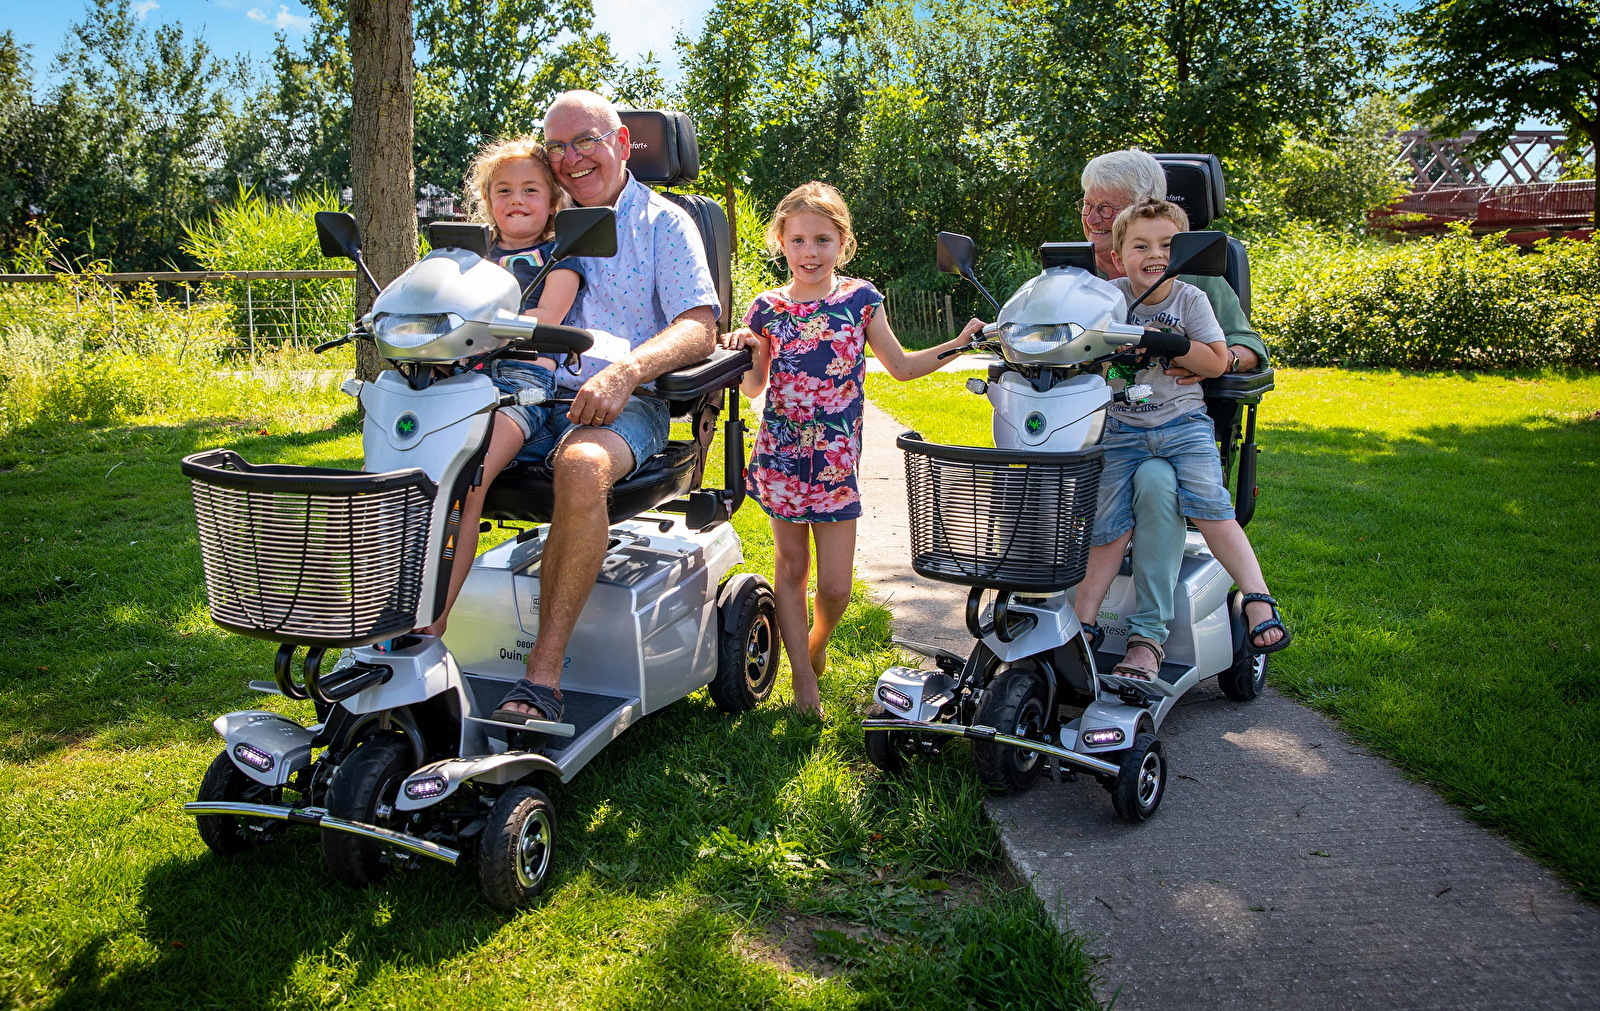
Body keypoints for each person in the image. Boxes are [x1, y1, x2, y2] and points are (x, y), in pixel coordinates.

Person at [488, 90, 722, 725]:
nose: (571, 158)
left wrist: (627, 371)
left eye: (586, 141)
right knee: (432, 457)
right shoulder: (534, 217)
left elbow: (699, 325)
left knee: (581, 465)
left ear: (621, 144)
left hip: (631, 402)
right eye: (558, 146)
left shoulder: (663, 223)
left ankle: (541, 678)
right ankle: (405, 639)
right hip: (525, 394)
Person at [721, 181, 982, 717]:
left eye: (822, 240)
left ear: (843, 242)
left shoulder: (860, 301)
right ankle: (802, 683)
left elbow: (903, 368)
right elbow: (752, 388)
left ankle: (814, 645)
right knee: (791, 569)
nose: (809, 253)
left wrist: (958, 345)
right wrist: (745, 348)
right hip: (782, 458)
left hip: (836, 464)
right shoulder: (766, 309)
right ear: (781, 243)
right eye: (797, 241)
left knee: (836, 587)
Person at [1070, 199, 1289, 678]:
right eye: (1140, 245)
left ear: (1184, 251)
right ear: (1118, 254)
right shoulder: (1106, 298)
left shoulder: (1191, 299)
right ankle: (1080, 626)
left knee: (1212, 508)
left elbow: (1215, 360)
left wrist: (1174, 345)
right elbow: (1078, 346)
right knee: (1107, 526)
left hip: (1182, 427)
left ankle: (1257, 597)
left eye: (1168, 245)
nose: (1155, 254)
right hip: (1123, 429)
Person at [418, 136, 586, 641]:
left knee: (464, 483)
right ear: (486, 201)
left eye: (531, 190)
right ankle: (382, 610)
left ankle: (431, 627)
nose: (517, 200)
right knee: (407, 483)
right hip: (457, 380)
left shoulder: (561, 259)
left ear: (554, 201)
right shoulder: (469, 260)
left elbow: (543, 319)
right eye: (504, 190)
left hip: (522, 384)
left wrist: (472, 322)